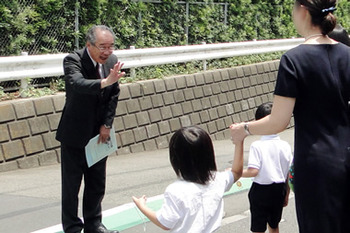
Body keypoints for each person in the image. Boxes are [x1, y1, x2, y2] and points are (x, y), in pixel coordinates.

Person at [230, 1, 350, 233]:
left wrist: (244, 129)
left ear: (303, 11)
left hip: (315, 164)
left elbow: (278, 121)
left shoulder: (294, 60)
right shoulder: (348, 55)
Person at [56, 25, 125, 233]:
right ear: (89, 45)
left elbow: (113, 95)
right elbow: (76, 83)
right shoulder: (73, 60)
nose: (107, 52)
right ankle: (72, 228)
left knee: (96, 183)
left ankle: (94, 225)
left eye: (110, 46)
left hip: (99, 134)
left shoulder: (112, 62)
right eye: (102, 47)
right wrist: (104, 82)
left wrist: (107, 124)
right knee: (71, 186)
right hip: (74, 133)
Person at [132, 126, 244, 233]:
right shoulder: (218, 179)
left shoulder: (175, 190)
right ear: (209, 154)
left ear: (176, 158)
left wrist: (142, 206)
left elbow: (165, 223)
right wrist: (239, 142)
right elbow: (236, 172)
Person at [241, 102, 293, 233]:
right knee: (274, 225)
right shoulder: (285, 145)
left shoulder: (257, 146)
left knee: (258, 228)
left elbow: (253, 171)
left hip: (260, 191)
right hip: (279, 189)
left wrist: (237, 172)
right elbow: (289, 173)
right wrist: (286, 193)